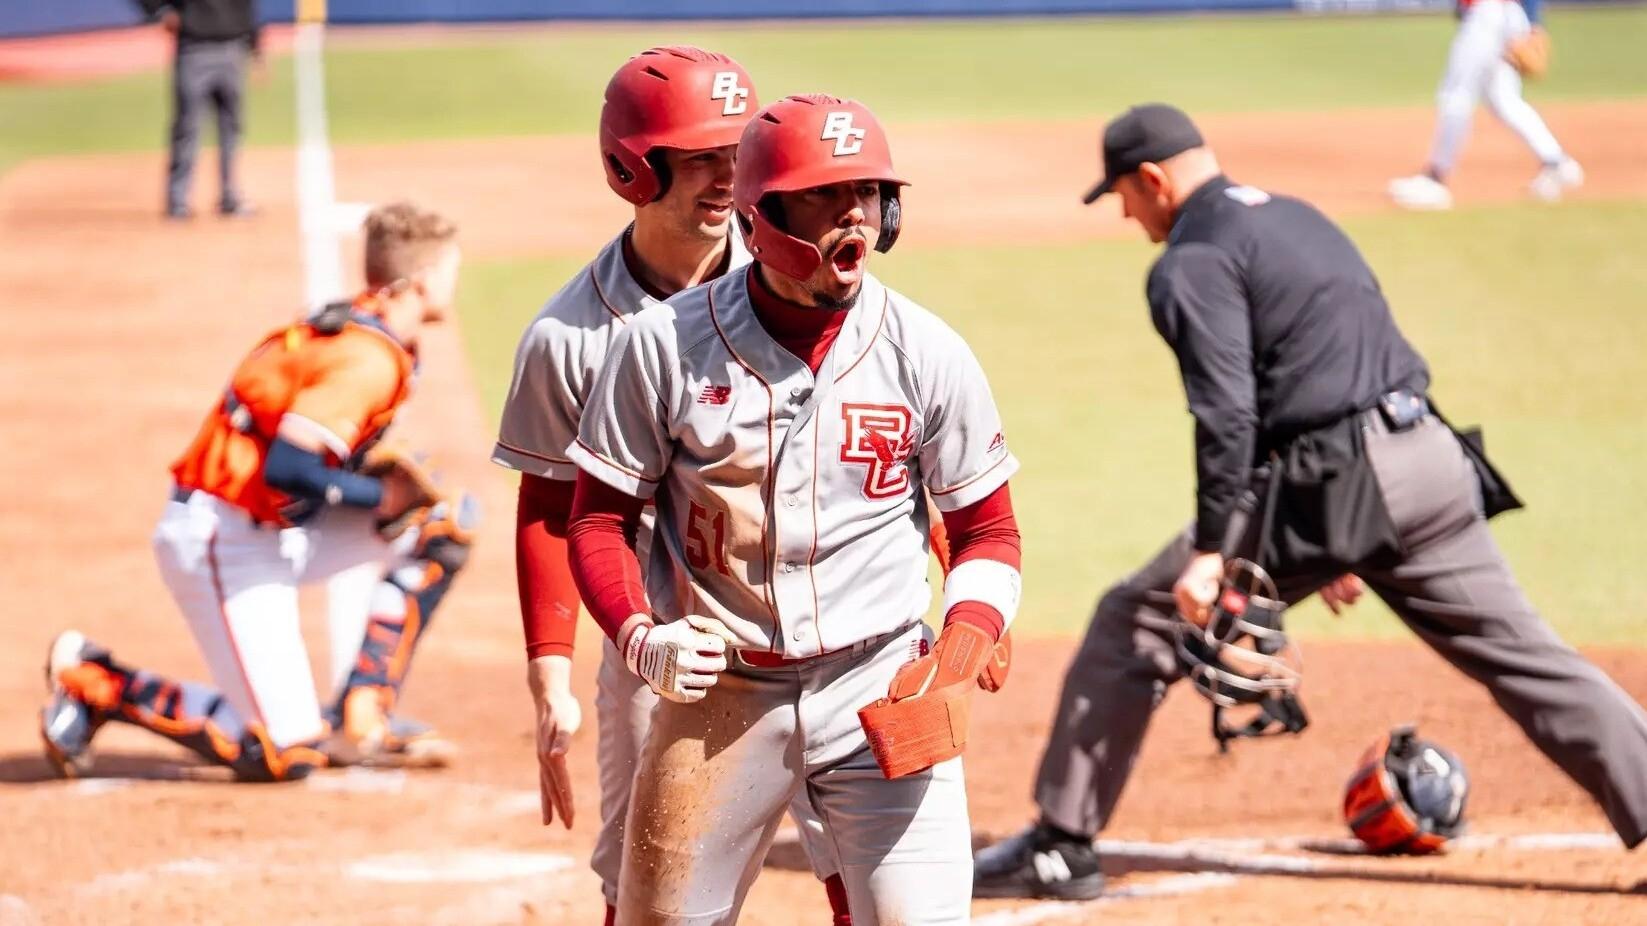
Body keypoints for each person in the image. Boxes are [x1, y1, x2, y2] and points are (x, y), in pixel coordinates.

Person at [973, 103, 1647, 900]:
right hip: (1427, 456)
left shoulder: (1189, 261)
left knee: (1138, 618)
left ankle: (1061, 844)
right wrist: (1337, 537)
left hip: (1343, 477)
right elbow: (1330, 355)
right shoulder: (1293, 217)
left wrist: (1216, 551)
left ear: (1152, 179)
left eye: (1122, 193)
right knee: (1529, 658)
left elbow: (1226, 415)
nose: (1125, 212)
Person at [566, 92, 1022, 925]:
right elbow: (596, 521)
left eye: (867, 192)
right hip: (720, 699)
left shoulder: (927, 353)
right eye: (821, 193)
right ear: (760, 215)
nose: (852, 213)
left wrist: (958, 647)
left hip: (880, 684)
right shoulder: (662, 346)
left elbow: (986, 530)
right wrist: (641, 633)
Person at [492, 47, 857, 926]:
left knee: (863, 874)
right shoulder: (569, 338)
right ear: (632, 167)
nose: (726, 178)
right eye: (696, 158)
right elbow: (549, 511)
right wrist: (551, 677)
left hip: (829, 629)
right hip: (665, 649)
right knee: (652, 892)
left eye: (737, 152)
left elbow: (890, 430)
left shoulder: (802, 274)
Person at [40, 202, 473, 781]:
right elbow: (289, 469)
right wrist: (378, 499)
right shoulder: (366, 358)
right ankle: (97, 682)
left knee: (440, 528)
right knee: (284, 754)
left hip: (274, 526)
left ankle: (361, 715)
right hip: (221, 538)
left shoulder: (374, 333)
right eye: (450, 269)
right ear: (419, 282)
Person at [1388, 0, 1582, 209]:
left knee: (1456, 94)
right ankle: (1556, 161)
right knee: (1503, 99)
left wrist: (1534, 21)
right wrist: (1533, 20)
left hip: (1487, 13)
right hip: (1505, 15)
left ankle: (1436, 179)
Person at [137, 0, 260, 219]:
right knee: (188, 126)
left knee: (231, 127)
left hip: (234, 45)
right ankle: (178, 201)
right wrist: (160, 11)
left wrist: (255, 45)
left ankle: (230, 196)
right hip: (194, 47)